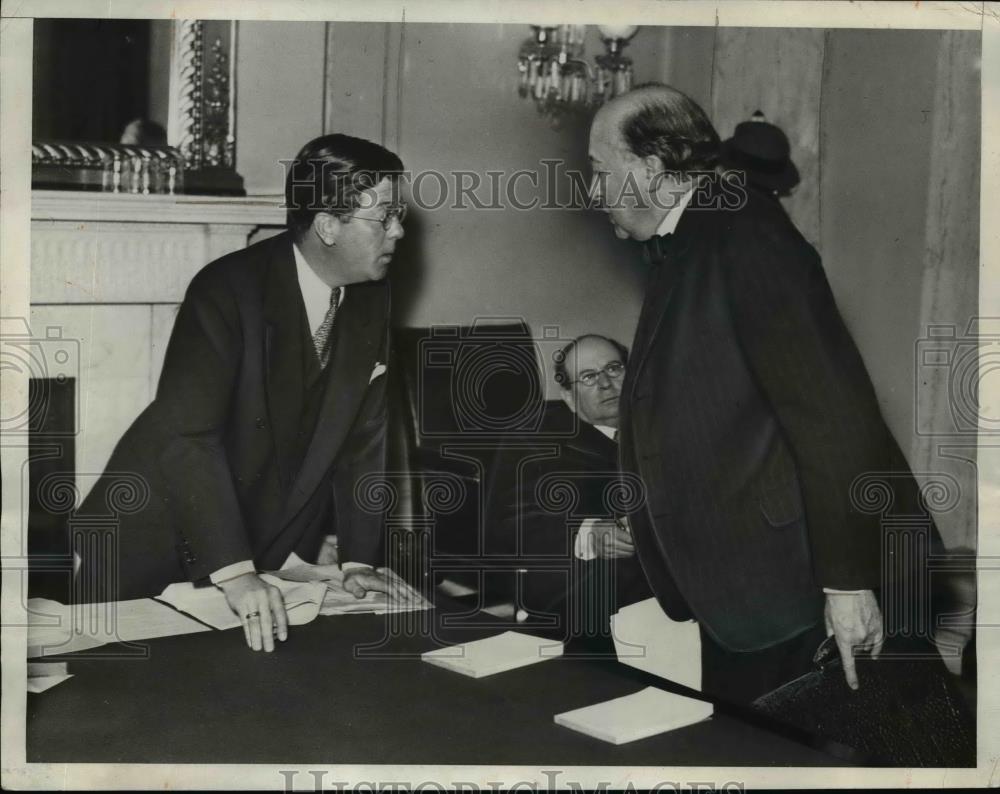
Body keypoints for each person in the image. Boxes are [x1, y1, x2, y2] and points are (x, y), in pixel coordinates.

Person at [587, 83, 932, 704]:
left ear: (649, 169)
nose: (593, 191)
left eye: (598, 172)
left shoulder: (743, 233)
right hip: (743, 587)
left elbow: (834, 416)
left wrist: (848, 586)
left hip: (791, 588)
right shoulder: (699, 234)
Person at [75, 133, 413, 651]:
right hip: (147, 536)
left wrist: (358, 560)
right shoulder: (226, 289)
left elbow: (364, 436)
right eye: (384, 217)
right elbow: (188, 437)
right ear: (327, 225)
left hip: (255, 547)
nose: (399, 231)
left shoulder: (371, 297)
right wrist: (234, 571)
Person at [485, 335, 650, 651]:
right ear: (570, 397)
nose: (605, 383)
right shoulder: (533, 441)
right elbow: (506, 524)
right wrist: (589, 532)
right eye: (588, 377)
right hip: (593, 591)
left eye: (614, 368)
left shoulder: (668, 425)